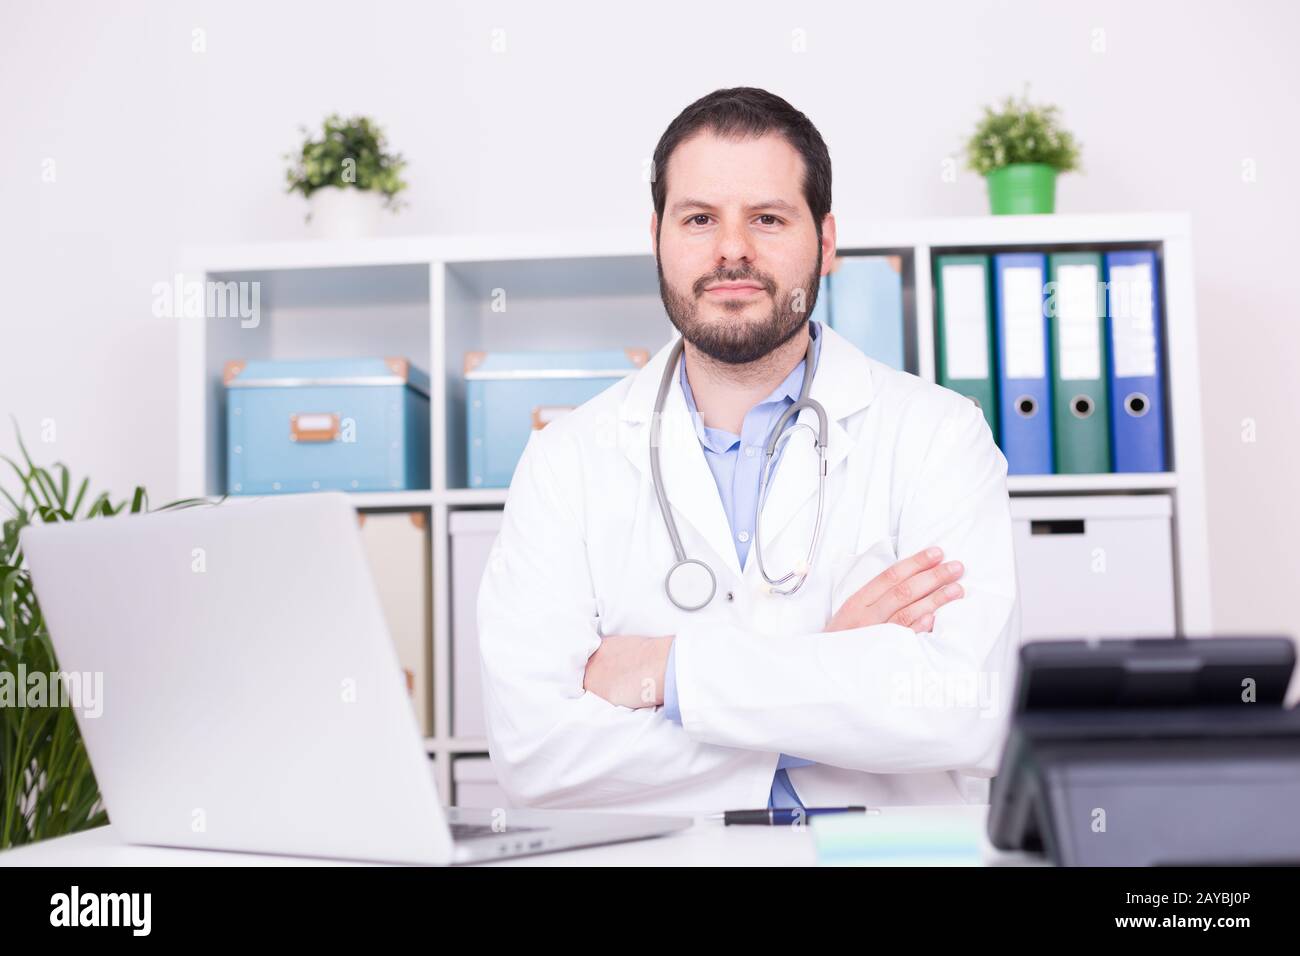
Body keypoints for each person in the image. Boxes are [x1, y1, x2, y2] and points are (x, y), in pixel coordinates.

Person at [478, 87, 1020, 813]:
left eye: (767, 218)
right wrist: (830, 672)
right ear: (658, 238)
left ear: (826, 243)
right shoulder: (566, 460)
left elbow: (967, 711)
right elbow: (534, 751)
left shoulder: (939, 436)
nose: (732, 249)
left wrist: (668, 675)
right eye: (699, 219)